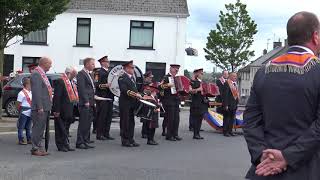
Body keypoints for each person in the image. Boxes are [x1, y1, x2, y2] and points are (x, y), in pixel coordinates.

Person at [243, 12, 320, 179]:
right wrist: (287, 157)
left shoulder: (264, 71)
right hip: (307, 169)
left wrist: (261, 155)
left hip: (264, 169)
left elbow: (250, 120)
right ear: (315, 37)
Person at [30, 57, 53, 156]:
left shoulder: (41, 74)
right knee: (38, 128)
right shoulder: (36, 74)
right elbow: (37, 92)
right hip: (40, 107)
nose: (51, 66)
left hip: (45, 106)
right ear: (44, 63)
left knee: (41, 129)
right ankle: (35, 148)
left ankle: (39, 147)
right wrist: (39, 107)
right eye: (50, 64)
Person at [52, 67, 78, 152]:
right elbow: (57, 97)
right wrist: (56, 110)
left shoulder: (71, 82)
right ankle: (60, 145)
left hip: (69, 109)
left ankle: (66, 144)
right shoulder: (61, 81)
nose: (75, 76)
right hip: (61, 109)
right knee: (60, 128)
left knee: (66, 128)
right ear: (69, 73)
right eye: (74, 74)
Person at [118, 60, 142, 147]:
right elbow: (125, 90)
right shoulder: (122, 77)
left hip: (132, 103)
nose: (133, 69)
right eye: (131, 68)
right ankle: (125, 140)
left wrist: (139, 95)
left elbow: (135, 89)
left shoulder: (132, 77)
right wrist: (136, 95)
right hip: (125, 103)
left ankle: (131, 139)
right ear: (126, 68)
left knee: (131, 122)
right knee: (125, 122)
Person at [76, 58, 96, 150]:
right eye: (92, 64)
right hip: (85, 103)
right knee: (83, 123)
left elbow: (91, 88)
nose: (94, 66)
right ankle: (80, 142)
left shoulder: (89, 74)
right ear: (87, 64)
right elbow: (82, 88)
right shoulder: (81, 74)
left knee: (88, 123)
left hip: (91, 102)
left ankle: (85, 140)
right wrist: (86, 101)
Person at [159, 64, 182, 141]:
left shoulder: (176, 78)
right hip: (169, 101)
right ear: (171, 69)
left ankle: (175, 134)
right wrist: (167, 85)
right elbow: (160, 87)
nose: (176, 70)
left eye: (177, 69)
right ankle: (169, 135)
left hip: (176, 101)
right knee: (170, 119)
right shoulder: (166, 77)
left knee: (176, 119)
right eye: (175, 69)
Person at [95, 56, 115, 140]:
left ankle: (106, 133)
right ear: (102, 62)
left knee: (108, 116)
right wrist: (105, 86)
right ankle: (99, 134)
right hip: (102, 97)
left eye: (108, 61)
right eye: (107, 61)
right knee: (102, 117)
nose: (108, 63)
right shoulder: (98, 72)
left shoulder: (110, 72)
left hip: (110, 96)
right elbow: (96, 84)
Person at [190, 68, 208, 139]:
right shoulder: (193, 81)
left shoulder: (202, 82)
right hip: (196, 103)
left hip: (202, 103)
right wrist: (198, 90)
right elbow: (190, 91)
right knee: (196, 119)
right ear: (196, 74)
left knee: (200, 119)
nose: (202, 74)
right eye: (201, 73)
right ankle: (195, 134)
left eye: (202, 73)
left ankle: (198, 133)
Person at [222, 72, 239, 137]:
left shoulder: (235, 84)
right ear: (230, 77)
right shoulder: (227, 83)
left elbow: (236, 95)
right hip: (228, 104)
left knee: (232, 118)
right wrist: (225, 105)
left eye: (236, 76)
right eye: (234, 76)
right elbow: (225, 95)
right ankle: (225, 131)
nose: (235, 77)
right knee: (227, 118)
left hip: (234, 104)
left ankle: (230, 131)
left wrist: (237, 103)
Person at [16, 78, 32, 145]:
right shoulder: (21, 93)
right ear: (27, 84)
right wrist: (20, 111)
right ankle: (21, 139)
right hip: (24, 112)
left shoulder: (31, 92)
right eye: (30, 83)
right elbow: (18, 104)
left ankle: (29, 139)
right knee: (21, 127)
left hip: (30, 112)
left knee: (28, 127)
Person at [141, 71, 154, 139]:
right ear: (146, 77)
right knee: (145, 118)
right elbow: (143, 92)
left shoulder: (151, 84)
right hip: (145, 102)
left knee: (149, 118)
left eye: (151, 78)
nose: (150, 79)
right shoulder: (143, 84)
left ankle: (147, 131)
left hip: (150, 102)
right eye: (149, 77)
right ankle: (144, 132)